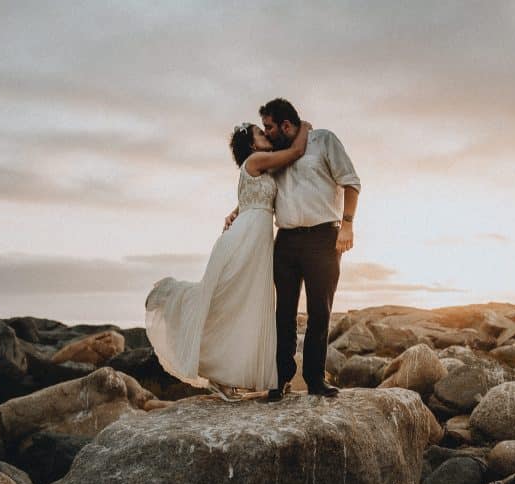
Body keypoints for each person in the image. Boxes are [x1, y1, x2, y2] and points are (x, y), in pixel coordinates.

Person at [145, 120, 312, 401]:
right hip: (244, 241)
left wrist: (235, 210)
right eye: (260, 133)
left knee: (238, 307)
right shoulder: (257, 159)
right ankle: (169, 294)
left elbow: (253, 196)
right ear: (251, 144)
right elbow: (294, 154)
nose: (265, 134)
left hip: (254, 240)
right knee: (226, 300)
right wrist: (304, 129)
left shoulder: (259, 166)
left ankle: (223, 376)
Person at [224, 98, 360, 400]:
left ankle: (314, 379)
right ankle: (280, 379)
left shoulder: (323, 140)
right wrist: (238, 209)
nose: (266, 133)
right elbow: (261, 186)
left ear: (285, 125)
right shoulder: (275, 154)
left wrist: (348, 224)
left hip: (323, 238)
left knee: (319, 311)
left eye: (269, 127)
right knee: (282, 312)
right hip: (285, 241)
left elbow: (351, 182)